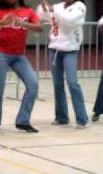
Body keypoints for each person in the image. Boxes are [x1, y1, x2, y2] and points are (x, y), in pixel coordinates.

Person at [0, 0, 43, 133]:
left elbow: (39, 28)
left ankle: (23, 120)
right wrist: (2, 22)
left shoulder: (29, 12)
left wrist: (23, 23)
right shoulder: (1, 12)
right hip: (0, 54)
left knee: (33, 84)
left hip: (19, 55)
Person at [37, 0, 88, 128]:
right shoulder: (58, 6)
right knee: (58, 84)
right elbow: (42, 16)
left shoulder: (80, 6)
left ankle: (82, 118)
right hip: (54, 49)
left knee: (72, 82)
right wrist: (43, 8)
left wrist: (53, 9)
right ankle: (61, 117)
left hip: (70, 50)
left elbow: (69, 20)